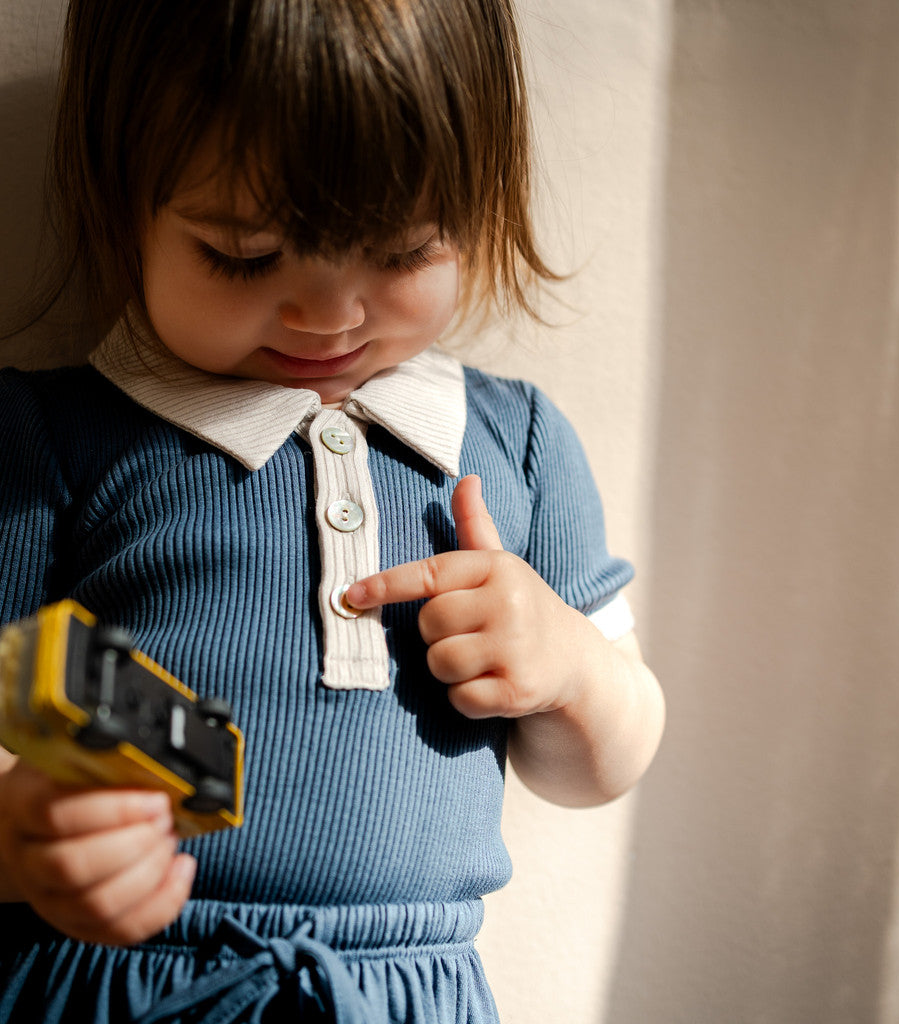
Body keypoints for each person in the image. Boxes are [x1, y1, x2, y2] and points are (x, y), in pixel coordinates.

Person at [0, 0, 666, 1020]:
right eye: (242, 254)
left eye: (401, 253)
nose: (330, 316)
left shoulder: (514, 447)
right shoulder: (51, 442)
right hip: (123, 980)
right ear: (118, 197)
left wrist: (570, 668)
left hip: (411, 990)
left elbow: (601, 767)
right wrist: (22, 838)